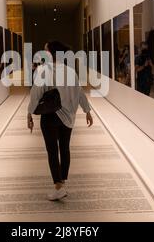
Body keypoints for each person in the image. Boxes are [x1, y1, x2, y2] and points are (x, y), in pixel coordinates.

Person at [27, 41, 94, 201]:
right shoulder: (71, 72)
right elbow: (79, 92)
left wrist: (29, 113)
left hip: (50, 116)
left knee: (52, 151)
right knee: (65, 149)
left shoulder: (44, 70)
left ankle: (58, 187)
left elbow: (36, 93)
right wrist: (87, 110)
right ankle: (62, 182)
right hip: (69, 117)